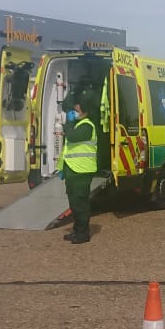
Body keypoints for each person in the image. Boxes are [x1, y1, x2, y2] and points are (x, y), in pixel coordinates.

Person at [60, 96, 98, 244]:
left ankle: (83, 234)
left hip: (82, 171)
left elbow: (73, 137)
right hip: (73, 170)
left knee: (80, 203)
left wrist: (68, 123)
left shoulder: (87, 125)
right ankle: (77, 231)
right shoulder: (79, 124)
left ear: (83, 110)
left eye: (75, 109)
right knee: (74, 202)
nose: (73, 112)